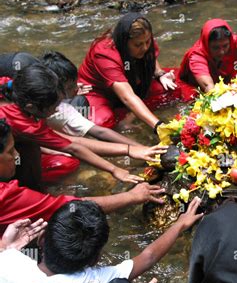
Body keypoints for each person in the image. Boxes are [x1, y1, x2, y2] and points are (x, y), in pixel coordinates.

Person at [0, 197, 203, 283]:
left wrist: (4, 246)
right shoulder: (94, 282)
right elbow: (148, 257)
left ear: (42, 239)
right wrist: (180, 225)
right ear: (96, 260)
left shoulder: (9, 261)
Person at [0, 118, 166, 233]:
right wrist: (131, 196)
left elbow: (69, 142)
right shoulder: (5, 195)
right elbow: (65, 207)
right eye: (10, 152)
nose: (16, 156)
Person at [2, 64, 152, 190]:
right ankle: (31, 192)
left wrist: (130, 149)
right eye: (53, 106)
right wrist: (114, 168)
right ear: (31, 107)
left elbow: (71, 142)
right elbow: (72, 147)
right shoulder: (24, 124)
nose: (57, 111)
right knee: (31, 149)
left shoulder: (11, 87)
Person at [78, 12, 180, 129]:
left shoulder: (143, 40)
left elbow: (150, 56)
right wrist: (158, 126)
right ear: (124, 42)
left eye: (147, 42)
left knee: (169, 90)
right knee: (101, 123)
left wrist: (160, 73)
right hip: (97, 92)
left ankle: (131, 114)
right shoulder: (104, 54)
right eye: (138, 45)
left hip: (130, 80)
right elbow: (127, 97)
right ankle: (126, 118)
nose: (145, 47)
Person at [178, 19, 237, 95]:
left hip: (222, 80)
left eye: (225, 46)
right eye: (215, 48)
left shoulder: (234, 43)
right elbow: (208, 87)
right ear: (206, 44)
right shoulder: (197, 56)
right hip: (195, 87)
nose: (221, 52)